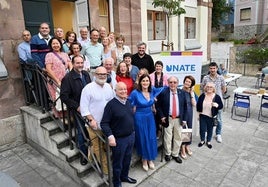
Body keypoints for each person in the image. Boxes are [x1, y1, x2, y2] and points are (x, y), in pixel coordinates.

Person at [101, 82, 137, 187]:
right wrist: (110, 136)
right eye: (120, 89)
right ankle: (116, 182)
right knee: (118, 163)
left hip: (130, 136)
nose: (124, 91)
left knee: (127, 159)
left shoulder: (128, 102)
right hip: (119, 140)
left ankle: (124, 176)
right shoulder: (111, 105)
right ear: (115, 91)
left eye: (125, 89)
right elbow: (104, 123)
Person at [80, 66, 114, 174]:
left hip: (107, 124)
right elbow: (84, 108)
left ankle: (91, 151)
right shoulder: (88, 88)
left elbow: (112, 103)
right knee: (99, 147)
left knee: (105, 145)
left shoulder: (109, 87)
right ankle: (106, 170)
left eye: (105, 74)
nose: (102, 76)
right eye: (100, 74)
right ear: (95, 75)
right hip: (94, 124)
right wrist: (91, 120)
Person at [60, 55, 91, 165]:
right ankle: (83, 155)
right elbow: (64, 96)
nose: (80, 65)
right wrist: (76, 106)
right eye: (77, 63)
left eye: (81, 62)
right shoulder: (67, 78)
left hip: (89, 108)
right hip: (78, 110)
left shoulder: (86, 74)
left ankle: (93, 155)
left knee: (91, 131)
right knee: (81, 132)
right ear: (73, 64)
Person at [128, 74, 163, 171]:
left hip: (150, 117)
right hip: (139, 117)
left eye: (147, 81)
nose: (145, 83)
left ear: (150, 82)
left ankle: (150, 158)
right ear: (140, 82)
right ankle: (144, 159)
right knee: (143, 138)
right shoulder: (135, 93)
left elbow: (163, 88)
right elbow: (128, 103)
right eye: (143, 81)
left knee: (151, 137)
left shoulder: (152, 91)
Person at [156, 76, 188, 164]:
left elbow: (185, 107)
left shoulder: (182, 93)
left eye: (174, 82)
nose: (172, 84)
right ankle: (168, 154)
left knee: (178, 137)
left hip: (179, 119)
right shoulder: (163, 93)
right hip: (168, 118)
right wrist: (162, 116)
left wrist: (185, 119)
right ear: (168, 83)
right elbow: (158, 106)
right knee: (167, 137)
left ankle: (175, 154)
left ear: (177, 83)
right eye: (171, 82)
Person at [45, 37, 72, 118]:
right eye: (53, 43)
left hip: (65, 79)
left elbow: (70, 64)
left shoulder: (65, 54)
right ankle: (60, 116)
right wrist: (57, 80)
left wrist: (70, 73)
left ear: (60, 44)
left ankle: (68, 116)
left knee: (67, 96)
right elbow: (48, 69)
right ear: (51, 45)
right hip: (54, 80)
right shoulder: (49, 55)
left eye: (57, 43)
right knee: (57, 98)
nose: (56, 45)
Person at [201, 62, 226, 143]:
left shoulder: (221, 78)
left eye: (214, 68)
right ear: (209, 69)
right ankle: (206, 133)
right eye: (211, 68)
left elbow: (224, 89)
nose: (212, 70)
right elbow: (202, 88)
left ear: (217, 69)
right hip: (207, 102)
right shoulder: (205, 78)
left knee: (218, 119)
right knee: (206, 118)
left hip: (217, 103)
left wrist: (218, 97)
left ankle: (218, 134)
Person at [197, 82, 223, 149]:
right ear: (205, 88)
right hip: (202, 115)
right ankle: (202, 140)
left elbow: (221, 106)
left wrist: (217, 105)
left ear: (213, 88)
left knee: (210, 129)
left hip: (211, 116)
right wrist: (198, 114)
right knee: (202, 129)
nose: (209, 88)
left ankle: (208, 141)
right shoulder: (202, 95)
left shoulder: (216, 97)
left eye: (211, 87)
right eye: (207, 87)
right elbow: (198, 104)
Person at [180, 75, 196, 159]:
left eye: (189, 82)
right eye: (186, 81)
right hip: (182, 113)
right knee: (183, 130)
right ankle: (182, 148)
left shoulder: (191, 93)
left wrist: (192, 93)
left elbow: (194, 104)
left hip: (189, 113)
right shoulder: (179, 91)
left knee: (188, 129)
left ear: (191, 84)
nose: (187, 83)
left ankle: (187, 145)